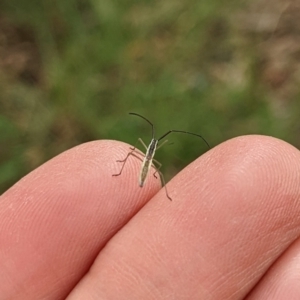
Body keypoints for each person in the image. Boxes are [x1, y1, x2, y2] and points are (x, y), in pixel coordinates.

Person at [1, 135, 300, 299]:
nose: (154, 146)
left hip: (146, 166)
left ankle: (159, 187)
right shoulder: (146, 152)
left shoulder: (152, 149)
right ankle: (129, 173)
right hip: (137, 165)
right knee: (136, 163)